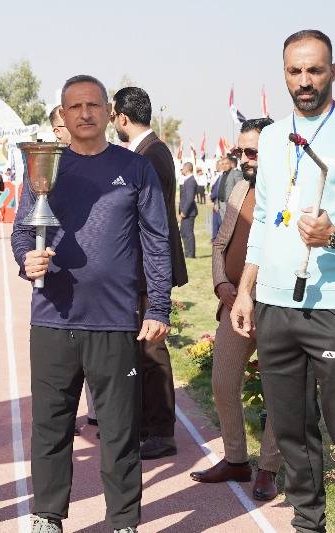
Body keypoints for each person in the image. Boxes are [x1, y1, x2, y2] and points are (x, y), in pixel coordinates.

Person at [231, 30, 335, 533]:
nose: (304, 81)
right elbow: (264, 221)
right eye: (294, 71)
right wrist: (246, 291)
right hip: (274, 307)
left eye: (314, 70)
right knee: (291, 433)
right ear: (284, 74)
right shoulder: (270, 137)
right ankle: (308, 523)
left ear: (333, 72)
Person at [15, 75, 172, 533]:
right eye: (75, 106)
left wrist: (158, 306)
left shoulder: (135, 169)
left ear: (108, 112)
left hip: (115, 319)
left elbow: (157, 241)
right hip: (52, 316)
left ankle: (123, 520)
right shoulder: (44, 165)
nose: (85, 113)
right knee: (50, 425)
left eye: (93, 105)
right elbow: (24, 231)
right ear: (62, 115)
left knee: (120, 430)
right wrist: (26, 261)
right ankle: (47, 516)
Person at [191, 118, 281, 501]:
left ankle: (269, 469)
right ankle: (236, 459)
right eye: (240, 151)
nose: (244, 159)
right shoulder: (240, 188)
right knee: (223, 382)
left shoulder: (290, 193)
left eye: (252, 152)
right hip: (234, 305)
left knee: (278, 391)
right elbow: (218, 243)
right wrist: (221, 285)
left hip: (277, 307)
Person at [110, 86, 187, 459]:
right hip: (142, 266)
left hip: (148, 267)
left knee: (152, 349)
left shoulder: (151, 155)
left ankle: (160, 431)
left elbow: (149, 220)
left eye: (112, 116)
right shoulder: (149, 151)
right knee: (141, 350)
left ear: (122, 118)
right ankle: (145, 423)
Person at [179, 163, 197, 259]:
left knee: (188, 233)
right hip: (186, 212)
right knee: (183, 232)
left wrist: (184, 211)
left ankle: (190, 254)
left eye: (182, 169)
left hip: (189, 212)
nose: (181, 170)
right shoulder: (188, 180)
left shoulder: (190, 181)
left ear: (186, 169)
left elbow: (190, 198)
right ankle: (187, 252)